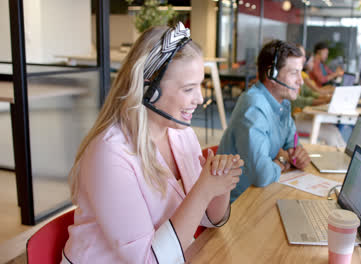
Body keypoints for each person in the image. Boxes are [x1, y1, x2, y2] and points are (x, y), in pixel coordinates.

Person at [62, 22, 243, 263]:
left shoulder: (179, 132)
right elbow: (148, 260)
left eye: (200, 85)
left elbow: (208, 219)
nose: (199, 98)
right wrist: (203, 190)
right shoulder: (110, 154)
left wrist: (219, 185)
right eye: (188, 89)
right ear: (149, 89)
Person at [217, 40, 311, 203]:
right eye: (294, 73)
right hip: (237, 204)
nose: (300, 81)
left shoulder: (282, 103)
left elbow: (293, 145)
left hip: (261, 193)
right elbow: (262, 174)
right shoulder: (253, 107)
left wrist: (298, 155)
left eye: (300, 73)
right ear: (271, 74)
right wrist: (283, 160)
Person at [292, 44, 333, 112]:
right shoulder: (302, 76)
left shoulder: (301, 75)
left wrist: (328, 97)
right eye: (302, 56)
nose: (305, 59)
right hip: (297, 115)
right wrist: (327, 99)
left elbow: (310, 93)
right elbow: (299, 100)